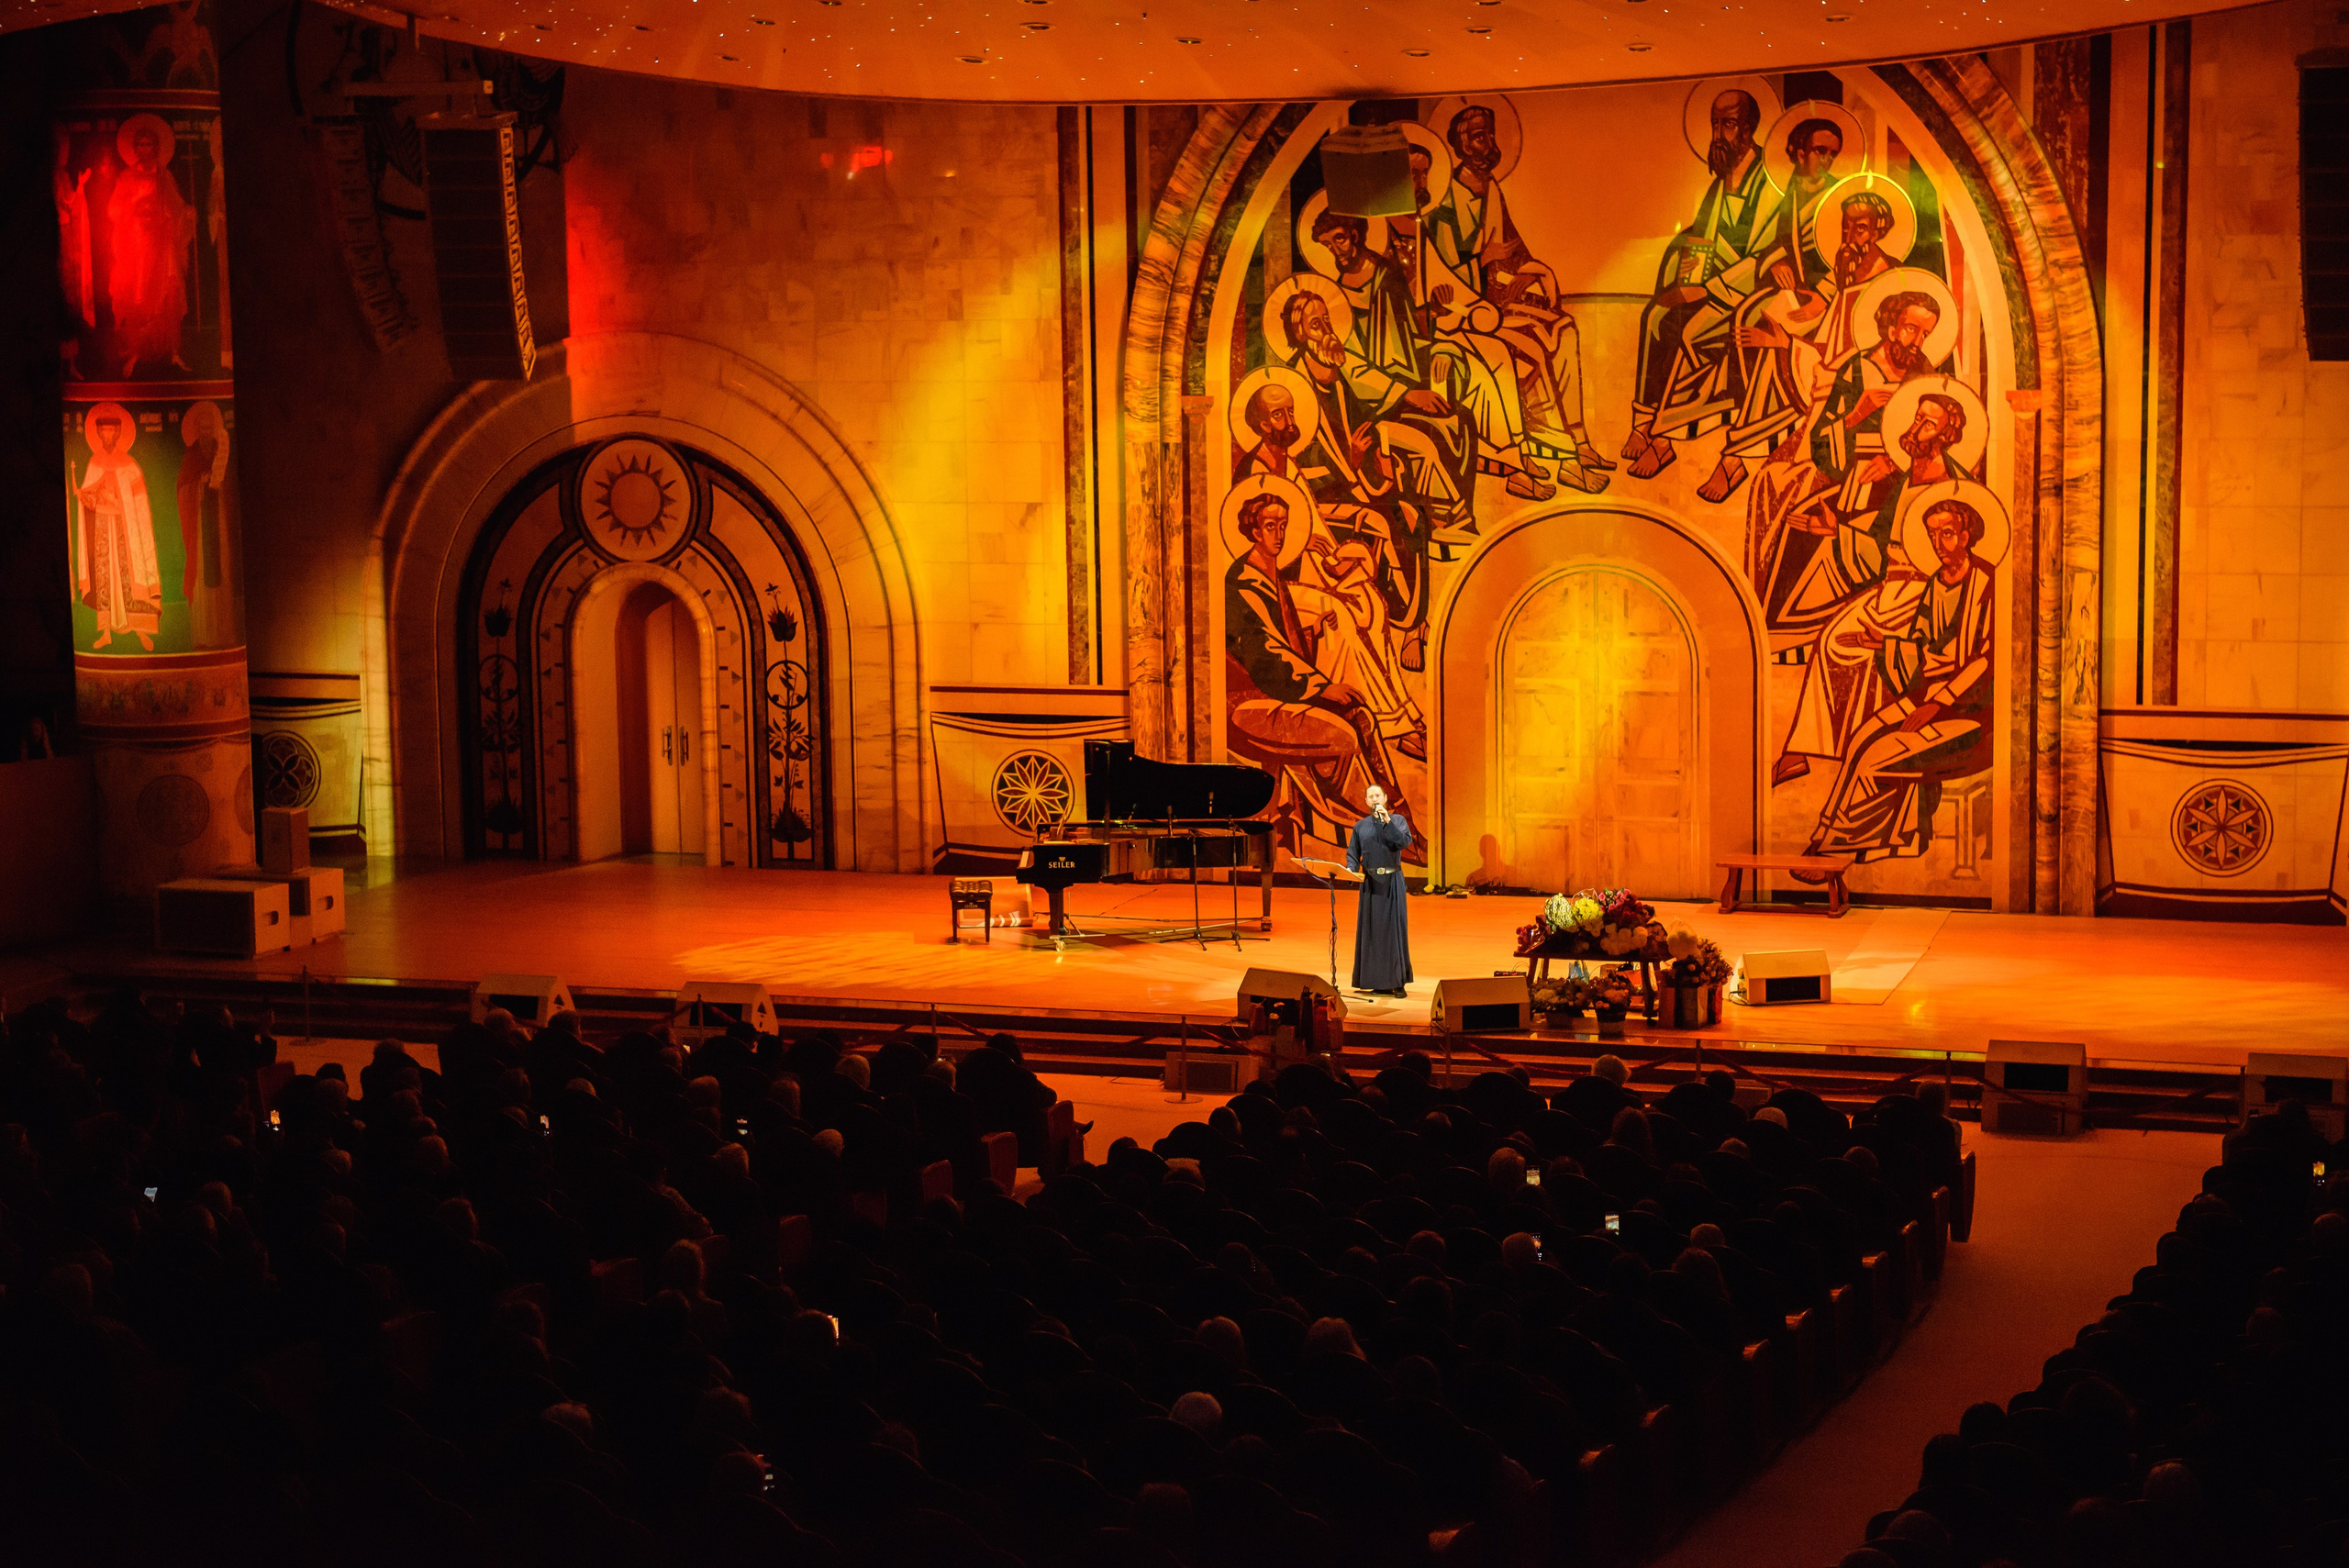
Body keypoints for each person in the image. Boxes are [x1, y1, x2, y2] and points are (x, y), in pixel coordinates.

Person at [1346, 784, 1413, 995]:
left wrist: (1387, 822)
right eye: (1370, 796)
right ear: (1366, 801)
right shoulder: (1360, 827)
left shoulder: (1398, 820)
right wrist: (1350, 871)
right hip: (1370, 883)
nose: (1374, 799)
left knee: (1394, 931)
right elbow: (1353, 854)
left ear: (1384, 799)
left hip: (1392, 880)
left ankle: (1398, 981)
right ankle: (1378, 982)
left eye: (1378, 795)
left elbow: (1403, 842)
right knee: (1372, 933)